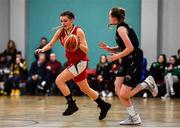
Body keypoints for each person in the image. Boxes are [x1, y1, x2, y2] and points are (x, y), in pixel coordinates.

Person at [36, 11, 111, 120]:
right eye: (61, 21)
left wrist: (76, 41)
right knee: (85, 89)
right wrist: (42, 49)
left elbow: (86, 49)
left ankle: (72, 105)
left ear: (72, 20)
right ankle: (103, 105)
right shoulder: (60, 31)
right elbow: (51, 44)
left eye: (65, 21)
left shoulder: (78, 31)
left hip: (80, 62)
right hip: (72, 62)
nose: (63, 23)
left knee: (59, 80)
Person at [99, 7, 158, 125]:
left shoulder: (121, 29)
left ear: (115, 18)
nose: (108, 18)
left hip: (134, 58)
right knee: (117, 88)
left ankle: (146, 84)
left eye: (109, 16)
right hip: (127, 59)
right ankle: (134, 118)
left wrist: (115, 57)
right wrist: (110, 48)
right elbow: (124, 46)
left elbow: (130, 48)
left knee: (124, 94)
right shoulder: (120, 27)